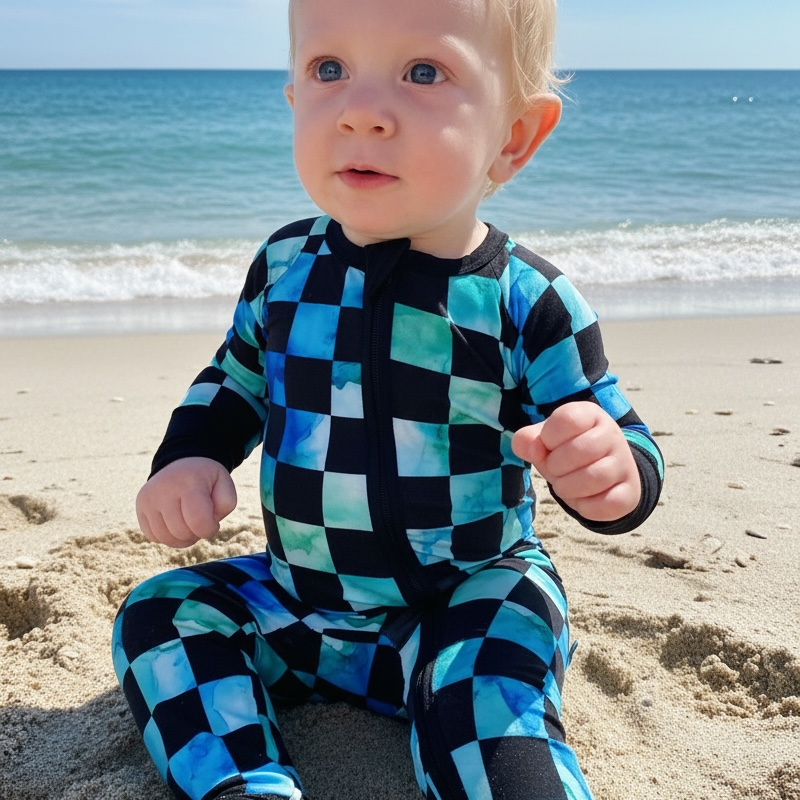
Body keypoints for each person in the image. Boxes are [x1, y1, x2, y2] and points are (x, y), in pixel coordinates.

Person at [112, 0, 665, 798]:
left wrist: (612, 470)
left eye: (423, 72)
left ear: (513, 136)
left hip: (467, 598)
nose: (362, 112)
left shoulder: (524, 299)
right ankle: (247, 784)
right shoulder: (285, 269)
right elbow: (234, 380)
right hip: (301, 606)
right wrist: (190, 456)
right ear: (294, 99)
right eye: (329, 69)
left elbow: (620, 433)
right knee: (161, 613)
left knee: (487, 702)